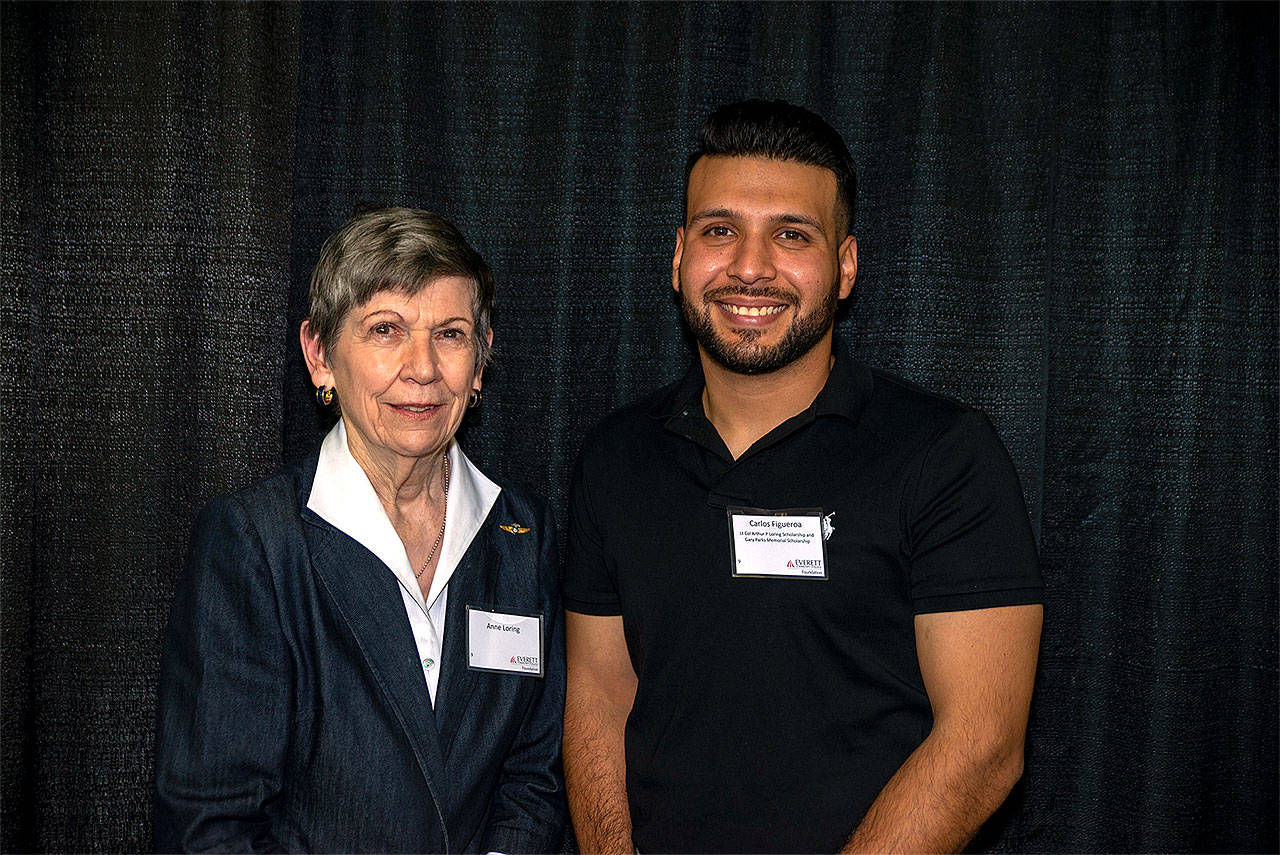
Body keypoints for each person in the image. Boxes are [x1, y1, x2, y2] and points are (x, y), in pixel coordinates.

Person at [562, 100, 1044, 854]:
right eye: (720, 230)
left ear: (845, 266)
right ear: (679, 254)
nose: (750, 266)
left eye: (791, 234)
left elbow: (983, 747)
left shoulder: (944, 454)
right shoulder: (615, 456)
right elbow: (597, 698)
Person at [155, 207, 566, 853]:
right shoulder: (255, 542)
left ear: (481, 362)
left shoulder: (524, 534)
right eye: (385, 329)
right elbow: (212, 821)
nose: (423, 367)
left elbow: (534, 779)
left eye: (452, 334)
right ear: (320, 354)